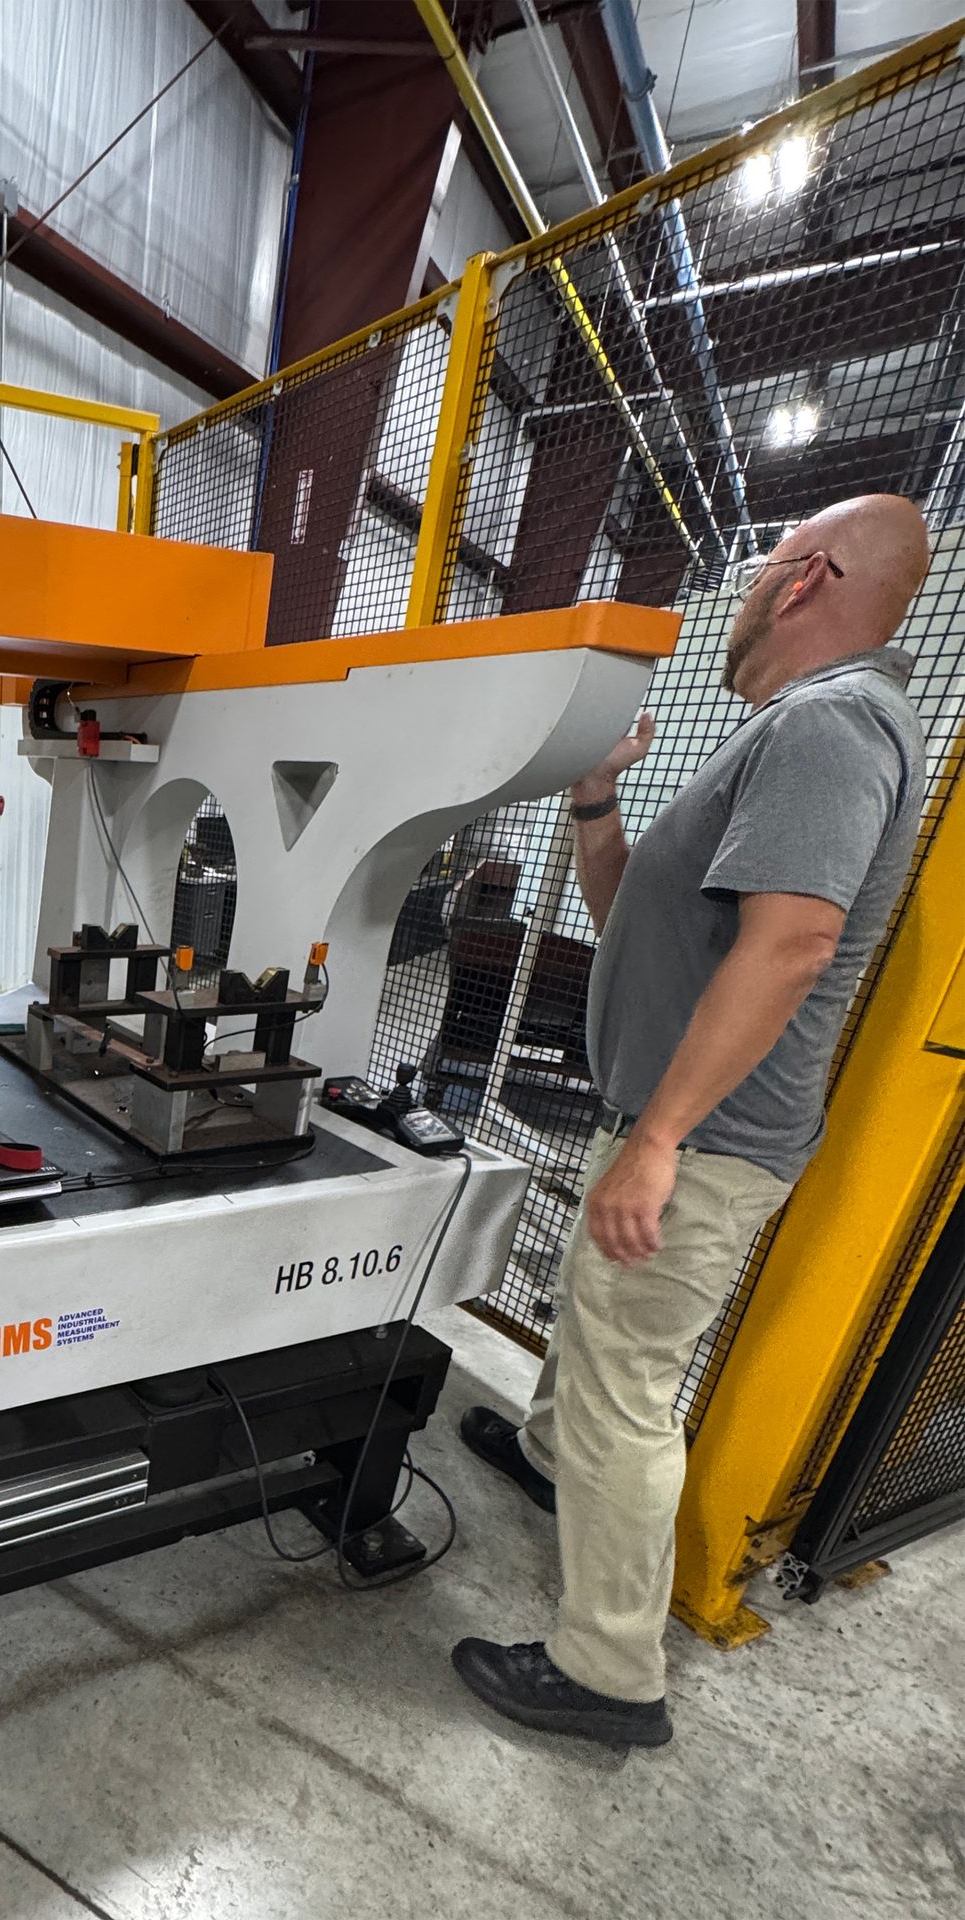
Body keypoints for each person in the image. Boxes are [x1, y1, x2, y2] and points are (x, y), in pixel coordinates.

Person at [451, 493, 932, 1748]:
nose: (743, 589)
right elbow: (642, 929)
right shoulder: (785, 731)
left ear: (804, 579)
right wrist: (598, 802)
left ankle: (609, 1673)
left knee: (628, 1385)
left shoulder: (833, 727)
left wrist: (660, 1140)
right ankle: (554, 1463)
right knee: (594, 1340)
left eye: (761, 563)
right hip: (663, 1116)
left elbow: (793, 945)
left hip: (704, 1143)